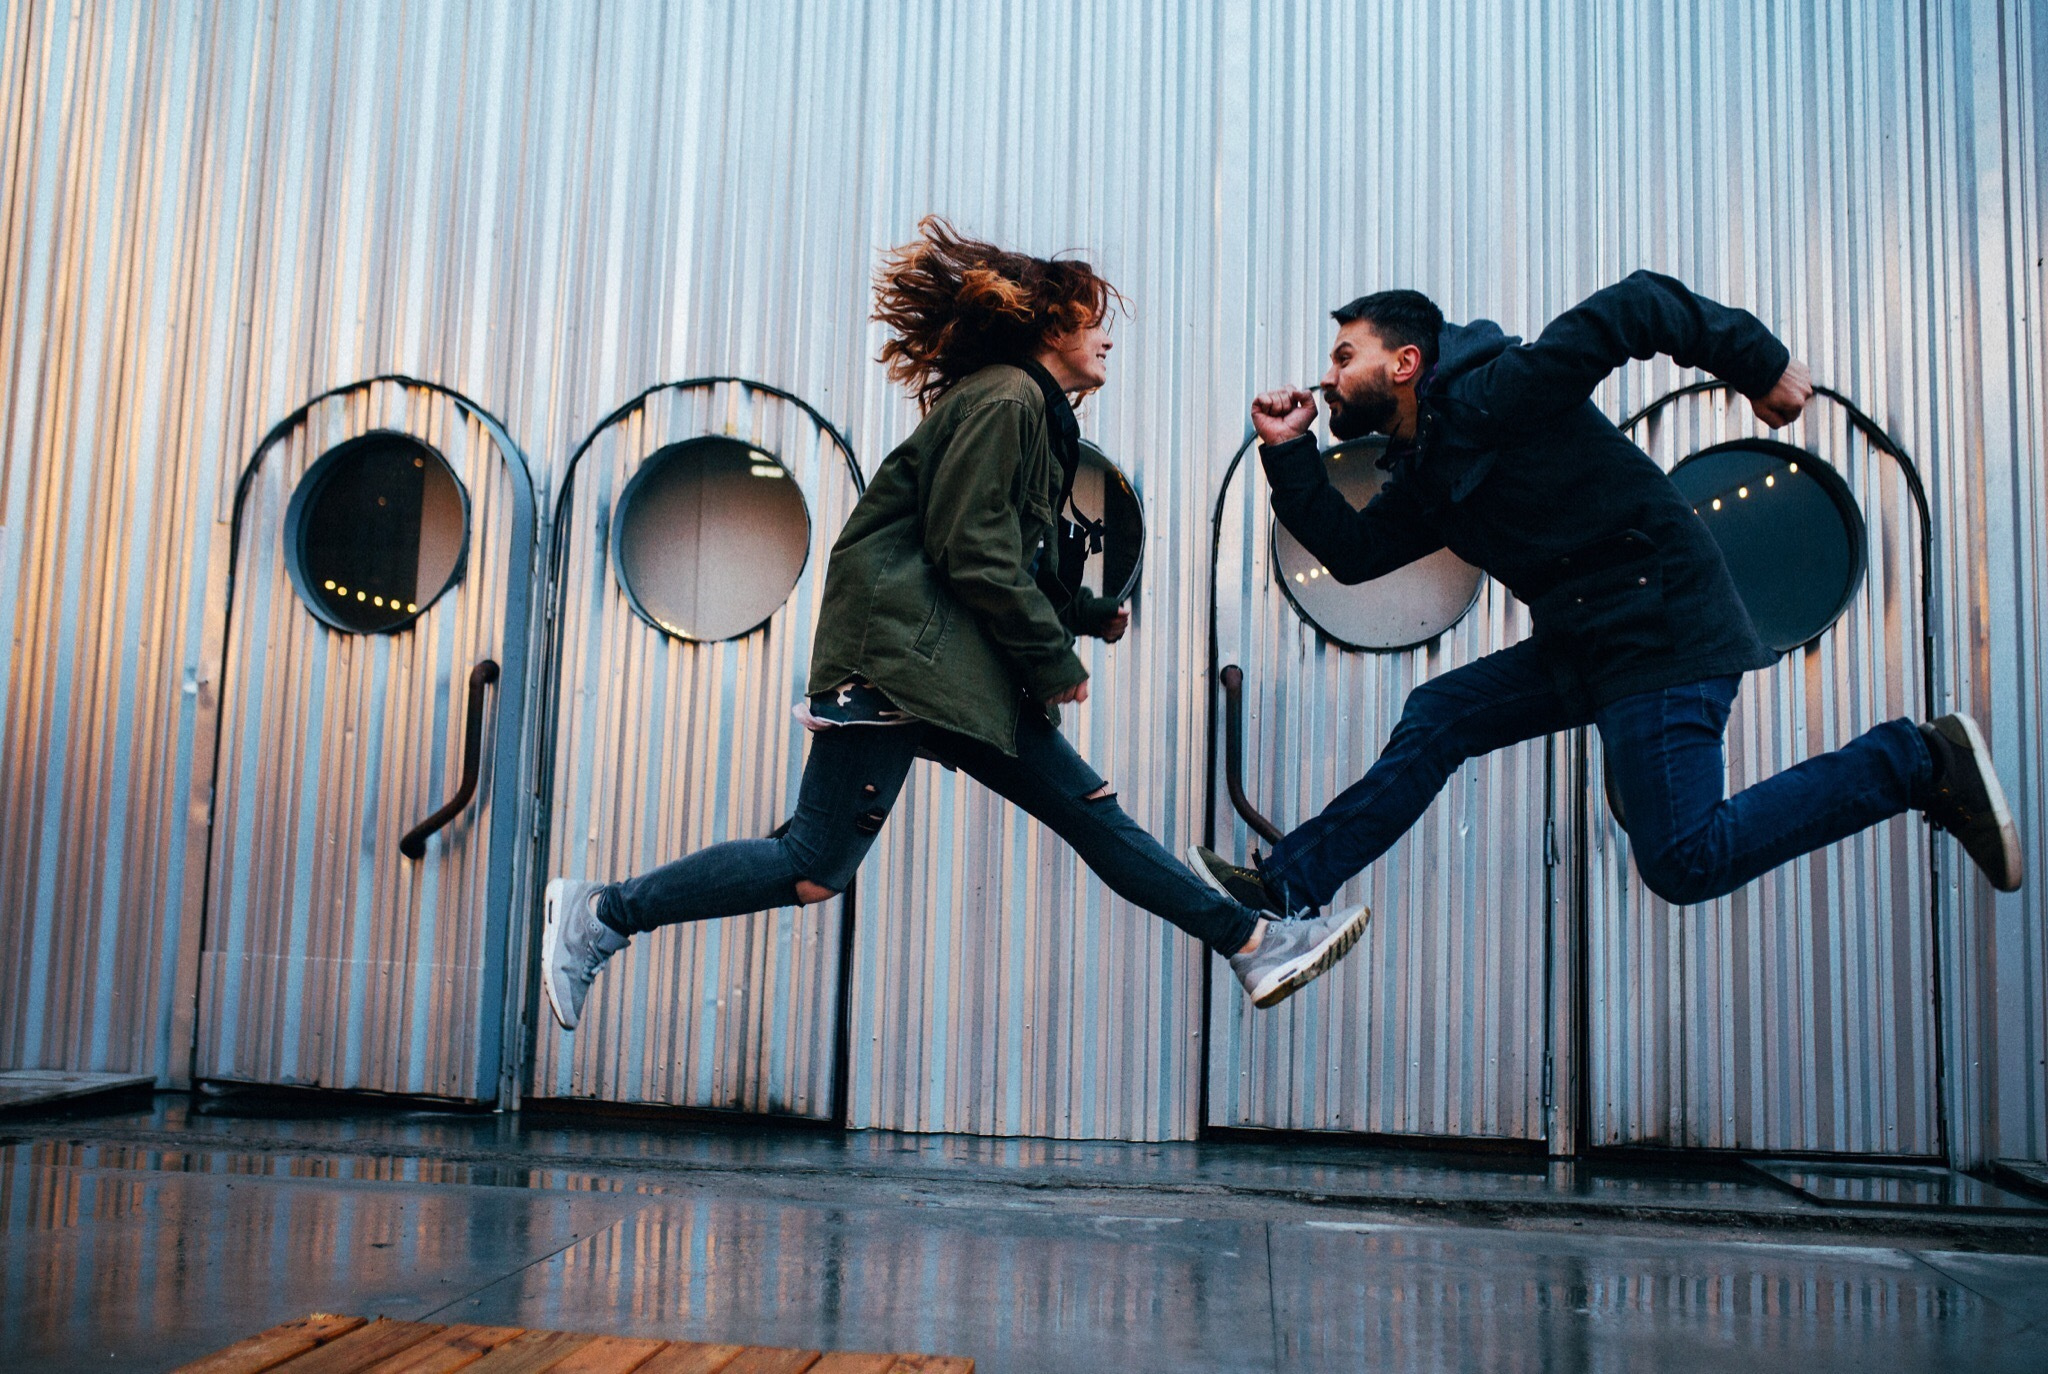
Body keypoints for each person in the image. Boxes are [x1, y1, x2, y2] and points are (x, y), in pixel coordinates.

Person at [542, 217, 1370, 1032]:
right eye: (1093, 323)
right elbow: (968, 544)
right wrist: (1053, 662)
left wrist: (1085, 615)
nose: (1107, 341)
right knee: (811, 867)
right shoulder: (1008, 399)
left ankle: (1252, 941)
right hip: (904, 664)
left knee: (1050, 821)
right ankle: (603, 912)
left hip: (947, 666)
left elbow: (1013, 551)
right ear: (1050, 327)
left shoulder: (1035, 413)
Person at [1191, 272, 2022, 923]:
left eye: (1345, 356)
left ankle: (1916, 761)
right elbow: (1353, 554)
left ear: (1404, 364)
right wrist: (1288, 452)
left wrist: (1755, 362)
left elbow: (1637, 305)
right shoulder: (1430, 468)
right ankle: (1290, 886)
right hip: (1586, 640)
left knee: (1684, 859)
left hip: (1659, 625)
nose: (1328, 376)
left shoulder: (1499, 391)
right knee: (1440, 714)